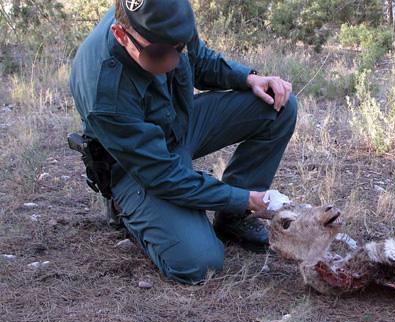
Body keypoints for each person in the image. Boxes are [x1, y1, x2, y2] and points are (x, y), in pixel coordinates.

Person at [69, 0, 297, 284]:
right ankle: (127, 208)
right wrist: (247, 198)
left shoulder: (168, 18)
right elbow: (162, 174)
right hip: (135, 165)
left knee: (279, 106)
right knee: (199, 263)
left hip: (177, 125)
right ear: (120, 35)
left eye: (178, 47)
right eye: (158, 54)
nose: (172, 62)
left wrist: (249, 78)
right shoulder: (105, 91)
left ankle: (232, 219)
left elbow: (198, 60)